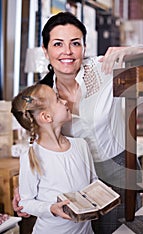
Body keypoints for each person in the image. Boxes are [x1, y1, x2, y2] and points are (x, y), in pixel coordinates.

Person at [13, 11, 143, 233]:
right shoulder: (42, 95)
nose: (67, 52)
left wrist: (133, 50)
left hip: (119, 170)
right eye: (58, 44)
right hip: (72, 183)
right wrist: (23, 189)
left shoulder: (104, 68)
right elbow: (36, 139)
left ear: (84, 47)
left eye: (75, 43)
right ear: (45, 50)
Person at [11, 83, 98, 233]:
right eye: (58, 99)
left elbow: (93, 181)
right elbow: (25, 203)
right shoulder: (32, 156)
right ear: (46, 116)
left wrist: (102, 194)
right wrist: (50, 208)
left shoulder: (81, 145)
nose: (64, 101)